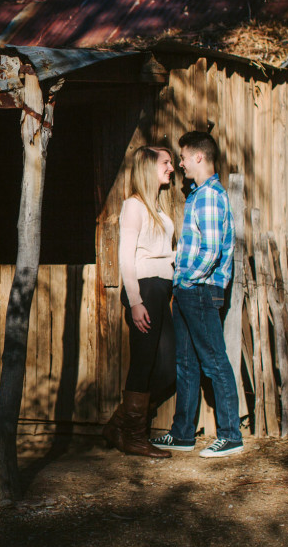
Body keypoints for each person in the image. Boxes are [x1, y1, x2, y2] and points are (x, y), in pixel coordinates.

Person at [151, 131, 242, 458]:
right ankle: (183, 434)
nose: (181, 164)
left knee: (214, 361)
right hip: (191, 288)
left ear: (199, 157)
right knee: (185, 363)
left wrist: (185, 279)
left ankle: (231, 435)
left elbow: (211, 250)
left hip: (200, 290)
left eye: (184, 157)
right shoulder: (199, 195)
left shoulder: (209, 196)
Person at [103, 145, 177, 458]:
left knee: (170, 369)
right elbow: (126, 256)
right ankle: (133, 435)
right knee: (144, 364)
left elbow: (164, 253)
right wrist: (135, 300)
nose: (171, 168)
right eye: (166, 162)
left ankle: (120, 425)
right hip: (144, 290)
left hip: (162, 291)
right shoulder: (134, 206)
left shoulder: (158, 208)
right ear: (148, 166)